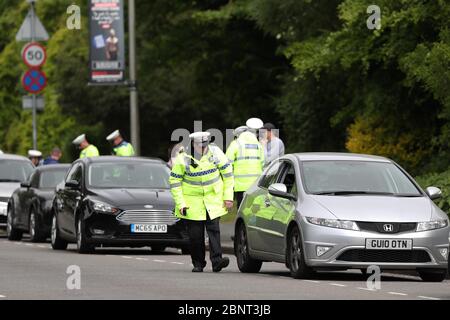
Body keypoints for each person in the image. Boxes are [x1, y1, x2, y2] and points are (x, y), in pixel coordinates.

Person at [169, 132, 234, 273]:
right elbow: (175, 182)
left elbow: (228, 175)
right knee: (195, 236)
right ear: (193, 144)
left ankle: (217, 261)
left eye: (205, 145)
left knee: (214, 231)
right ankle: (198, 263)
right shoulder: (183, 158)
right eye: (200, 146)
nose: (203, 149)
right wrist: (181, 204)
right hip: (192, 202)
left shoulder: (216, 153)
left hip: (213, 199)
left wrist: (228, 197)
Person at [226, 118, 265, 208]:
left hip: (240, 186)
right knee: (255, 210)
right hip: (256, 185)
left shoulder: (235, 144)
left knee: (242, 210)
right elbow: (263, 164)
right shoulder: (258, 145)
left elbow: (226, 164)